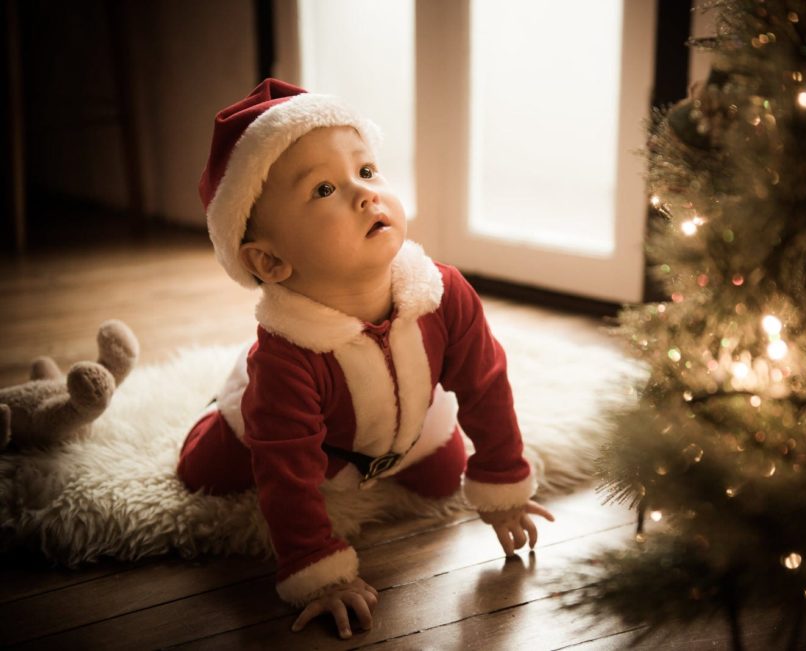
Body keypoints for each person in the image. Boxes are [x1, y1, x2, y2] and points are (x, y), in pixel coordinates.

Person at [176, 79, 554, 639]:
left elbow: (486, 385)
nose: (364, 194)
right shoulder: (287, 357)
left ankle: (403, 454)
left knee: (443, 474)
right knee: (202, 473)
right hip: (317, 442)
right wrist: (317, 569)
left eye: (367, 171)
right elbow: (285, 475)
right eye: (324, 189)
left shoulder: (443, 294)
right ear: (271, 261)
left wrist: (501, 480)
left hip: (406, 423)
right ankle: (224, 407)